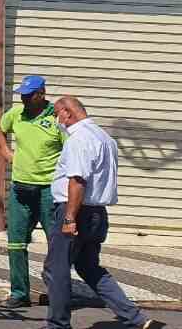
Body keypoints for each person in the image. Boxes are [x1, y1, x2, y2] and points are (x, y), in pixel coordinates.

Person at [45, 96, 162, 329]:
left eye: (57, 113)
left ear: (67, 113)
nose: (55, 119)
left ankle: (58, 325)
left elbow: (77, 181)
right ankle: (136, 318)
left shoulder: (79, 139)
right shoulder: (104, 137)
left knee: (55, 270)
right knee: (89, 267)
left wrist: (69, 218)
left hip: (76, 212)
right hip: (97, 214)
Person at [0, 75, 66, 309]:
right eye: (23, 95)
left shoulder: (56, 118)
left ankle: (57, 292)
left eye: (29, 95)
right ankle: (19, 293)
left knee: (56, 244)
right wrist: (7, 154)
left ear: (41, 94)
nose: (24, 99)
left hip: (48, 190)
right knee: (15, 243)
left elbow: (71, 149)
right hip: (20, 190)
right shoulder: (16, 114)